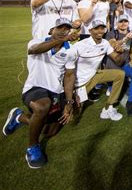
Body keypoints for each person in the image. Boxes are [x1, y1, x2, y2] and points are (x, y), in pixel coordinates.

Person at [3, 18, 76, 168]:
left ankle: (19, 117)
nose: (63, 31)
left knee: (49, 131)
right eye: (59, 28)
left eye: (66, 28)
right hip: (35, 87)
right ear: (51, 30)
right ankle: (33, 148)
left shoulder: (71, 50)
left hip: (56, 91)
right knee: (43, 107)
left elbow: (69, 76)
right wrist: (60, 40)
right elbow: (34, 50)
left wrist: (69, 102)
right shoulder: (36, 42)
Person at [70, 20, 125, 121]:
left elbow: (118, 60)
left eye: (102, 28)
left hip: (95, 75)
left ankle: (108, 107)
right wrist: (71, 89)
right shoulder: (79, 45)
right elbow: (68, 69)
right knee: (72, 116)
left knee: (120, 74)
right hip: (80, 83)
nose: (100, 31)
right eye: (96, 28)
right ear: (90, 31)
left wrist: (119, 51)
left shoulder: (105, 43)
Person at [104, 15, 132, 115]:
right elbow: (112, 44)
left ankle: (130, 101)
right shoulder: (111, 33)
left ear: (128, 23)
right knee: (114, 98)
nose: (123, 24)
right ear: (117, 23)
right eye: (121, 21)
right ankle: (110, 87)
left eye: (125, 21)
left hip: (125, 63)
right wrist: (124, 39)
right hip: (113, 64)